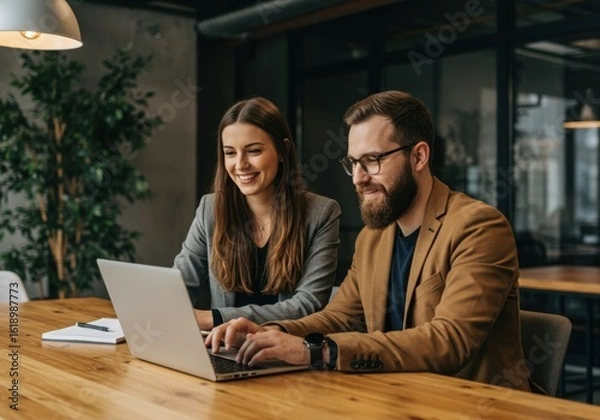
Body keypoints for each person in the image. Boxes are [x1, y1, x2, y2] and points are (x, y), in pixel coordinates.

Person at [207, 90, 531, 392]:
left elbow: (449, 340)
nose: (360, 178)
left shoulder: (478, 227)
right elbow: (340, 317)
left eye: (372, 160)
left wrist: (317, 352)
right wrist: (275, 332)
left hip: (473, 406)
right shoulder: (373, 237)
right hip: (397, 398)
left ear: (418, 157)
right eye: (353, 163)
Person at [174, 97, 341, 330]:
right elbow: (178, 285)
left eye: (253, 151)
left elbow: (308, 304)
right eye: (230, 153)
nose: (240, 164)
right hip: (224, 349)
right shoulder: (210, 209)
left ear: (283, 151)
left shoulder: (321, 213)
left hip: (284, 351)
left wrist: (215, 318)